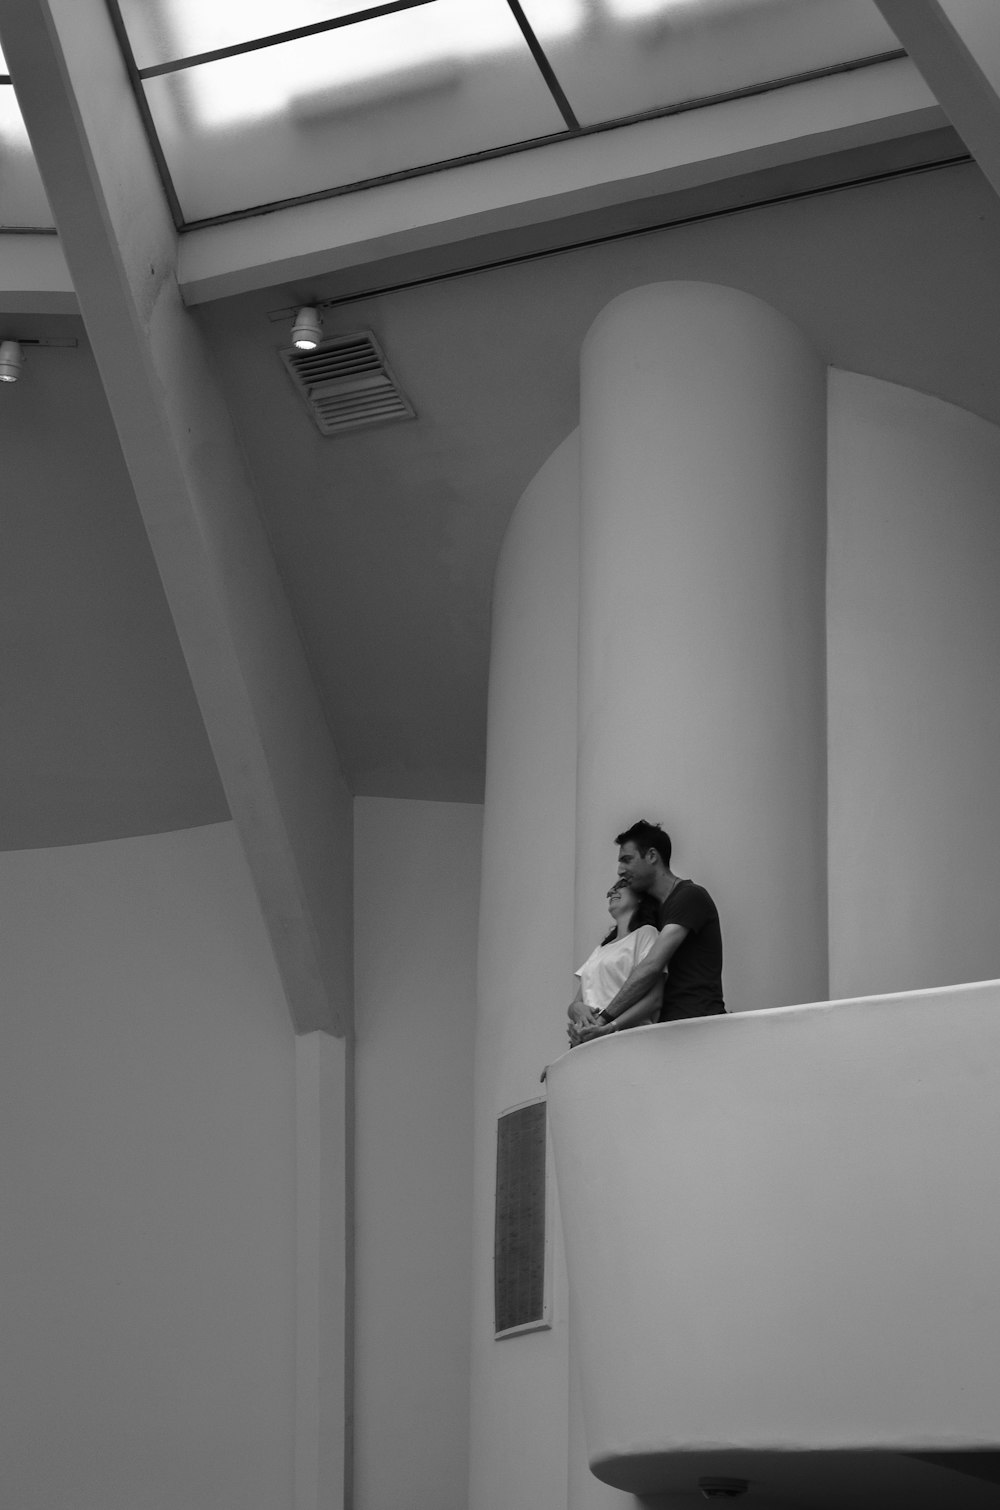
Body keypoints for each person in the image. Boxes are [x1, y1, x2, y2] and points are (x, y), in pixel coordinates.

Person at [570, 820, 724, 1044]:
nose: (620, 870)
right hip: (666, 1033)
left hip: (698, 1026)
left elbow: (651, 966)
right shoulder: (652, 916)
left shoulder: (689, 897)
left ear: (652, 856)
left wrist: (603, 1022)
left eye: (627, 859)